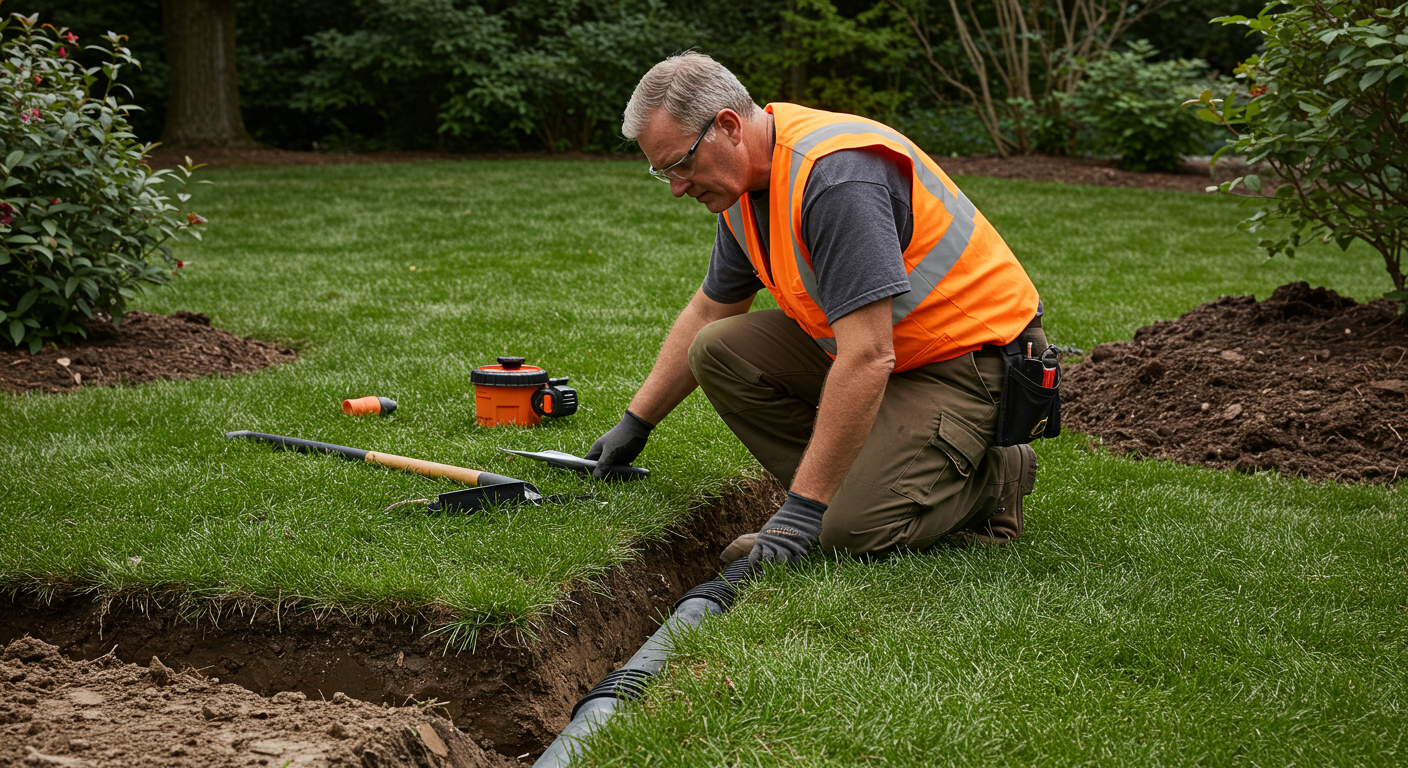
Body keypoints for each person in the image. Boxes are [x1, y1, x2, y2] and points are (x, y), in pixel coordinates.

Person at [585, 52, 1048, 569]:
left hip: (968, 366)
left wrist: (802, 514)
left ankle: (997, 476)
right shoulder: (745, 188)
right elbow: (710, 313)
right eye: (661, 170)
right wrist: (636, 423)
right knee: (717, 350)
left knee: (853, 530)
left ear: (729, 126)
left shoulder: (835, 181)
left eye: (681, 164)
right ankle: (858, 485)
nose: (676, 186)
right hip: (895, 354)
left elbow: (868, 356)